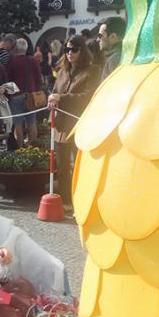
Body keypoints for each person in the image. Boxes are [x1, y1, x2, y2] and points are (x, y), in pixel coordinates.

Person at [47, 35, 102, 202]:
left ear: (82, 50)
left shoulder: (93, 71)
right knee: (62, 166)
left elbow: (87, 96)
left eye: (74, 49)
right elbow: (56, 90)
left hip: (80, 124)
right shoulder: (62, 71)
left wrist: (61, 98)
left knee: (81, 165)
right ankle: (65, 200)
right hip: (61, 124)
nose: (69, 53)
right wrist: (52, 98)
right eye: (67, 49)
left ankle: (83, 199)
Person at [4, 38, 43, 149]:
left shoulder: (12, 61)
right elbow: (38, 79)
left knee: (18, 124)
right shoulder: (33, 60)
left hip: (16, 95)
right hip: (31, 95)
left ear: (16, 48)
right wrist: (35, 90)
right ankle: (32, 149)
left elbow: (8, 80)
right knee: (31, 122)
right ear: (26, 48)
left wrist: (9, 94)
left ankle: (20, 149)